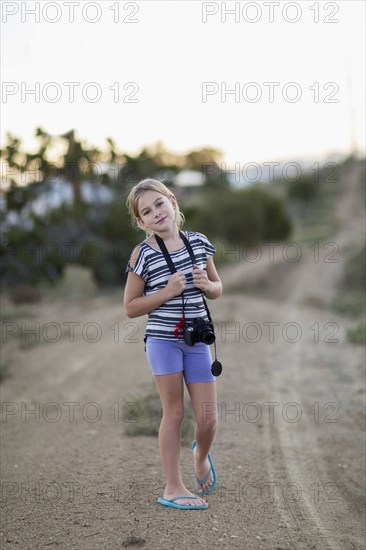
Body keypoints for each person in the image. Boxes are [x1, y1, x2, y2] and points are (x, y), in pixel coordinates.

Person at [123, 178, 223, 510]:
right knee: (175, 412)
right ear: (141, 222)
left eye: (159, 204)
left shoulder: (199, 242)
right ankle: (173, 487)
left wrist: (207, 285)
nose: (156, 213)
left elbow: (218, 287)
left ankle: (201, 454)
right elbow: (130, 307)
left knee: (208, 417)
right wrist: (167, 291)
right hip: (164, 343)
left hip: (197, 340)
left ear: (173, 201)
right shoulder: (143, 254)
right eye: (147, 211)